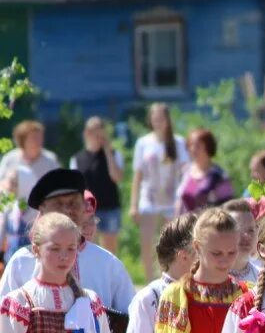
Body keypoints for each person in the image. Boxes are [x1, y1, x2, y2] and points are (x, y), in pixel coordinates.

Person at [0, 169, 136, 333]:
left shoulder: (108, 264)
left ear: (83, 207)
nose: (66, 210)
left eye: (73, 203)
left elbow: (133, 322)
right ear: (42, 211)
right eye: (58, 204)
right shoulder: (22, 262)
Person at [131, 103, 187, 280]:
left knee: (172, 241)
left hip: (172, 199)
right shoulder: (143, 143)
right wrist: (133, 204)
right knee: (147, 242)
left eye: (161, 118)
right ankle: (149, 280)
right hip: (149, 198)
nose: (158, 122)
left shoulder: (178, 142)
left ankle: (170, 276)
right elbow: (137, 175)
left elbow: (186, 171)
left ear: (167, 120)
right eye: (154, 119)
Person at [70, 116, 125, 254]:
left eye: (100, 131)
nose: (97, 135)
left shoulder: (114, 154)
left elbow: (117, 177)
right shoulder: (77, 158)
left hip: (110, 207)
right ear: (86, 133)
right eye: (93, 131)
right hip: (87, 211)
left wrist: (107, 151)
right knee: (87, 248)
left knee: (110, 250)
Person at [0, 120, 60, 216]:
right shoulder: (10, 159)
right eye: (34, 138)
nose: (38, 141)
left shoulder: (50, 160)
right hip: (12, 213)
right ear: (22, 140)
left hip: (42, 213)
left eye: (40, 137)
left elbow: (60, 187)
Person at [177, 128, 234, 213]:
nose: (193, 149)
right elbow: (180, 200)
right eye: (190, 145)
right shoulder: (186, 171)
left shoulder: (219, 176)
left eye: (197, 146)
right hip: (185, 223)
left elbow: (228, 206)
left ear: (208, 147)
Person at [223, 199, 261, 284]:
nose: (246, 236)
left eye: (251, 230)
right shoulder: (211, 276)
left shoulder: (264, 278)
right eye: (238, 229)